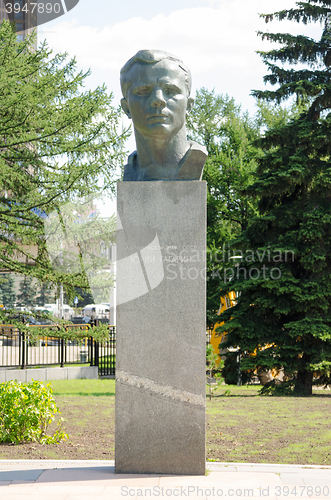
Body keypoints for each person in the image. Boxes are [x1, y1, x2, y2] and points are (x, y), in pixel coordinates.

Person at [120, 49, 207, 181]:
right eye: (143, 91)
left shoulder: (196, 161)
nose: (158, 100)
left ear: (188, 105)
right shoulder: (131, 172)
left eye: (170, 91)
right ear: (126, 108)